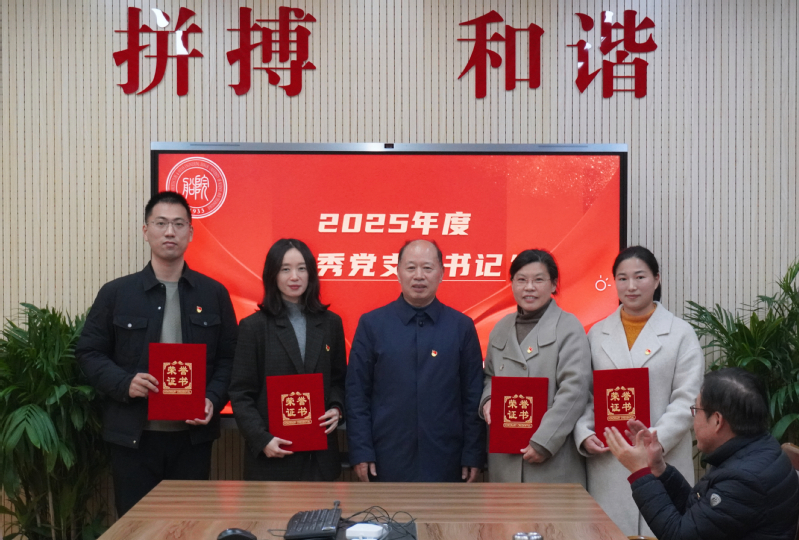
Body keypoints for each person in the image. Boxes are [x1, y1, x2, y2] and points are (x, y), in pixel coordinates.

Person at [76, 191, 237, 517]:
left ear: (190, 233)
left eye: (179, 224)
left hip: (192, 441)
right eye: (161, 223)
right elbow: (89, 352)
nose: (170, 232)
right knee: (137, 528)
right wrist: (125, 383)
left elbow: (230, 359)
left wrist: (212, 398)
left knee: (189, 527)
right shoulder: (117, 293)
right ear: (145, 231)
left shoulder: (214, 293)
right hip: (134, 438)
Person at [573, 245, 704, 536]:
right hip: (610, 459)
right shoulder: (596, 334)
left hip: (663, 458)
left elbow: (687, 399)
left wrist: (652, 443)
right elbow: (585, 394)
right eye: (622, 278)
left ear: (657, 279)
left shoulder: (680, 333)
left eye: (640, 277)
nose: (631, 286)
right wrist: (584, 432)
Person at [346, 239, 485, 482]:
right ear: (398, 272)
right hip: (386, 457)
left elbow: (473, 396)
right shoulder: (372, 325)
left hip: (447, 458)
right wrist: (361, 451)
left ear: (441, 273)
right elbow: (357, 394)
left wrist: (473, 454)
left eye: (427, 268)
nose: (419, 275)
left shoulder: (461, 327)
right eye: (411, 267)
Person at [605, 368, 799, 540]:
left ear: (717, 420)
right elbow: (700, 518)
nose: (694, 419)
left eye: (696, 410)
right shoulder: (756, 448)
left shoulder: (744, 480)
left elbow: (679, 535)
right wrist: (659, 468)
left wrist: (640, 472)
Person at [228, 239, 346, 481]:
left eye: (302, 268)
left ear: (311, 273)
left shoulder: (331, 323)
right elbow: (241, 393)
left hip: (320, 458)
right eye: (285, 269)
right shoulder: (254, 327)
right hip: (273, 456)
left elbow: (339, 380)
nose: (295, 277)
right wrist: (262, 439)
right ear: (272, 274)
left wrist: (336, 407)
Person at [479, 249, 591, 484]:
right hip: (504, 456)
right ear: (512, 284)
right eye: (521, 280)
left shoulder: (568, 327)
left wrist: (544, 441)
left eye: (538, 280)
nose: (529, 287)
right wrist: (488, 399)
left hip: (552, 458)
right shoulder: (501, 327)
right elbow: (489, 375)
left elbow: (575, 390)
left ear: (553, 284)